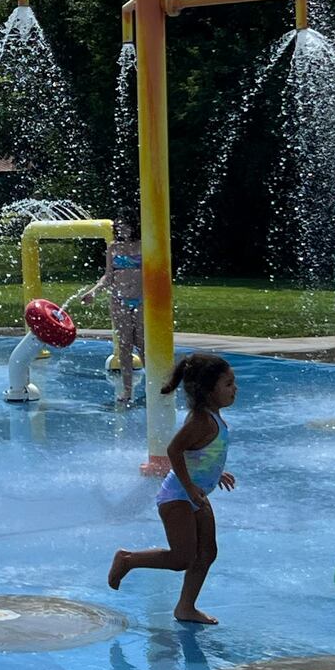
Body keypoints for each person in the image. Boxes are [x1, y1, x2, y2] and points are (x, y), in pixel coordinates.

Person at [107, 353, 237, 624]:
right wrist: (189, 486)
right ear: (207, 390)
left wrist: (215, 472)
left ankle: (186, 608)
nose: (235, 388)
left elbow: (199, 452)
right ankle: (127, 559)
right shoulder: (201, 420)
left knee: (207, 553)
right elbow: (174, 449)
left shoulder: (214, 416)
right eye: (228, 384)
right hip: (178, 496)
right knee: (181, 558)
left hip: (195, 493)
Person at [81, 220, 144, 405]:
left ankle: (153, 385)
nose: (122, 229)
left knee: (142, 344)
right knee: (124, 345)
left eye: (126, 225)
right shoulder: (113, 247)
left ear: (134, 226)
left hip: (141, 299)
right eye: (119, 227)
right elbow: (108, 275)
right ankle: (127, 390)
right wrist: (94, 291)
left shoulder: (143, 245)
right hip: (119, 300)